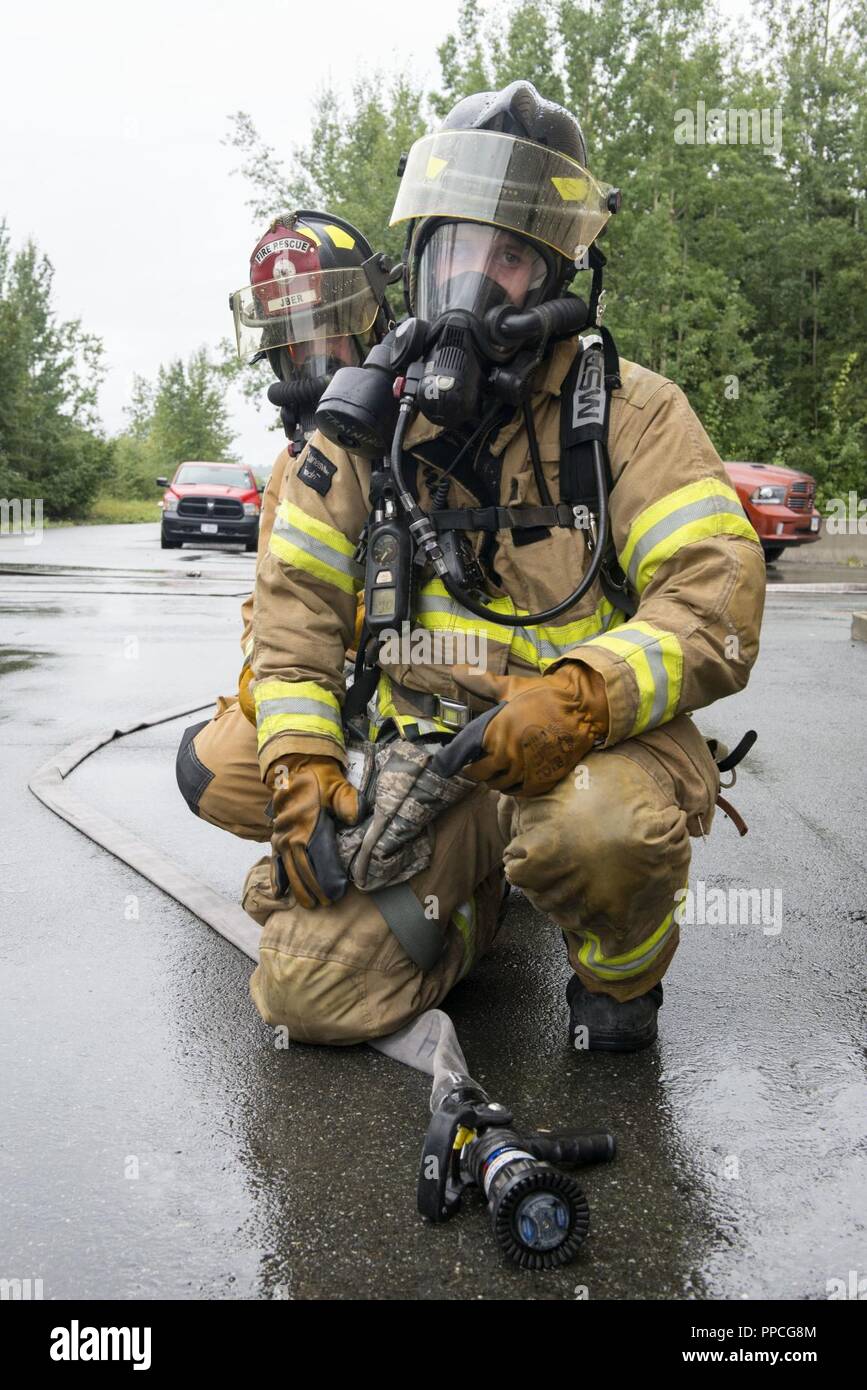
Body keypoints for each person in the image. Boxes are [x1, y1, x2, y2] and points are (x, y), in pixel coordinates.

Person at [246, 82, 766, 1052]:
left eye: (512, 258)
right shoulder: (371, 422)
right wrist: (305, 764)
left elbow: (714, 600)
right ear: (417, 265)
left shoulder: (632, 414)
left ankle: (619, 974)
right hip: (432, 758)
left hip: (590, 748)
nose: (476, 286)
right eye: (455, 254)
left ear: (560, 279)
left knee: (594, 831)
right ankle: (473, 901)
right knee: (307, 995)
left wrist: (578, 699)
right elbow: (294, 614)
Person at [175, 211, 393, 839]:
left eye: (327, 326)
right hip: (343, 687)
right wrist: (264, 674)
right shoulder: (288, 468)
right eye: (294, 337)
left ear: (371, 321)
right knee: (214, 770)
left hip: (439, 687)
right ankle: (358, 830)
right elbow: (269, 601)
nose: (312, 352)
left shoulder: (425, 429)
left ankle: (462, 850)